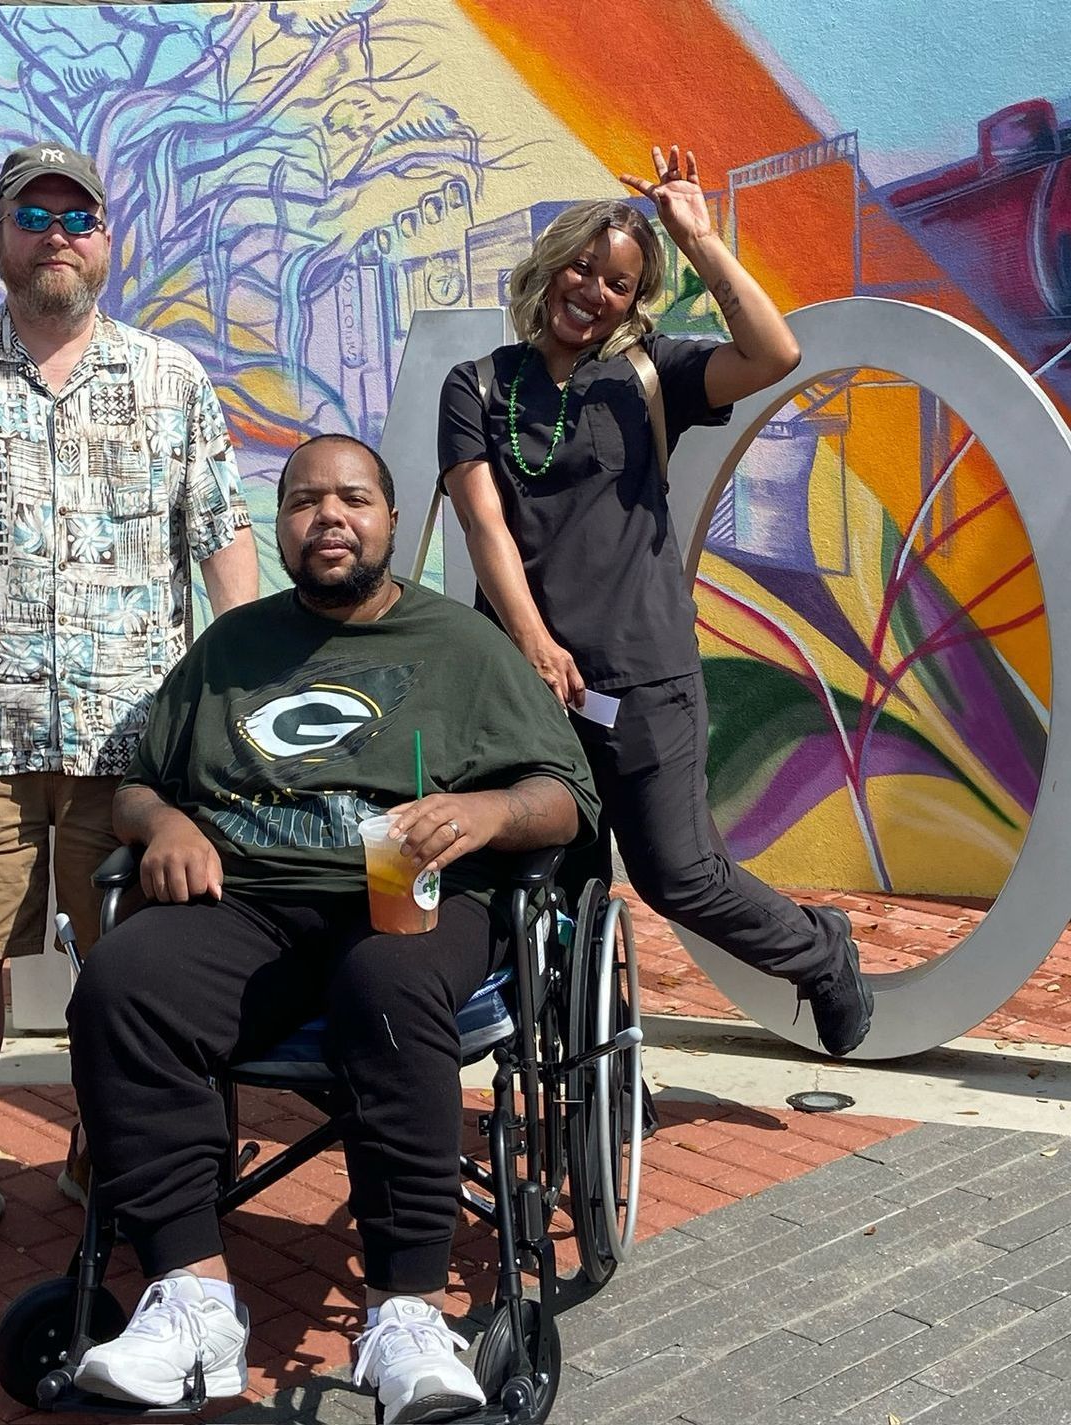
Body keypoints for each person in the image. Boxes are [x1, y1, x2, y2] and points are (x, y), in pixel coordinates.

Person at [64, 433, 600, 1422]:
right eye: (305, 501)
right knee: (122, 980)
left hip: (412, 896)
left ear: (392, 520)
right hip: (252, 901)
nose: (329, 517)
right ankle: (192, 1304)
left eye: (353, 498)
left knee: (385, 983)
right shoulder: (233, 648)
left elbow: (561, 798)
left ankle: (405, 1313)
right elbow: (136, 785)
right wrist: (165, 823)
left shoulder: (461, 646)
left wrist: (483, 816)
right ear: (281, 528)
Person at [0, 140, 259, 1282]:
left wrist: (244, 703)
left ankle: (106, 1138)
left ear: (108, 241)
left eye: (79, 217)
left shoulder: (170, 381)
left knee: (131, 962)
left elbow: (222, 545)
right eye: (34, 214)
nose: (58, 234)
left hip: (135, 747)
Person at [437, 145, 873, 1057]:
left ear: (636, 302)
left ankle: (818, 953)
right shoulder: (478, 385)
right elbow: (484, 523)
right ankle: (587, 1069)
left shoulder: (650, 376)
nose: (594, 290)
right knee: (551, 884)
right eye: (585, 268)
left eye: (622, 283)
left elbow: (775, 351)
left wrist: (701, 239)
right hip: (527, 685)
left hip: (644, 677)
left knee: (680, 874)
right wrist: (533, 643)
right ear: (552, 263)